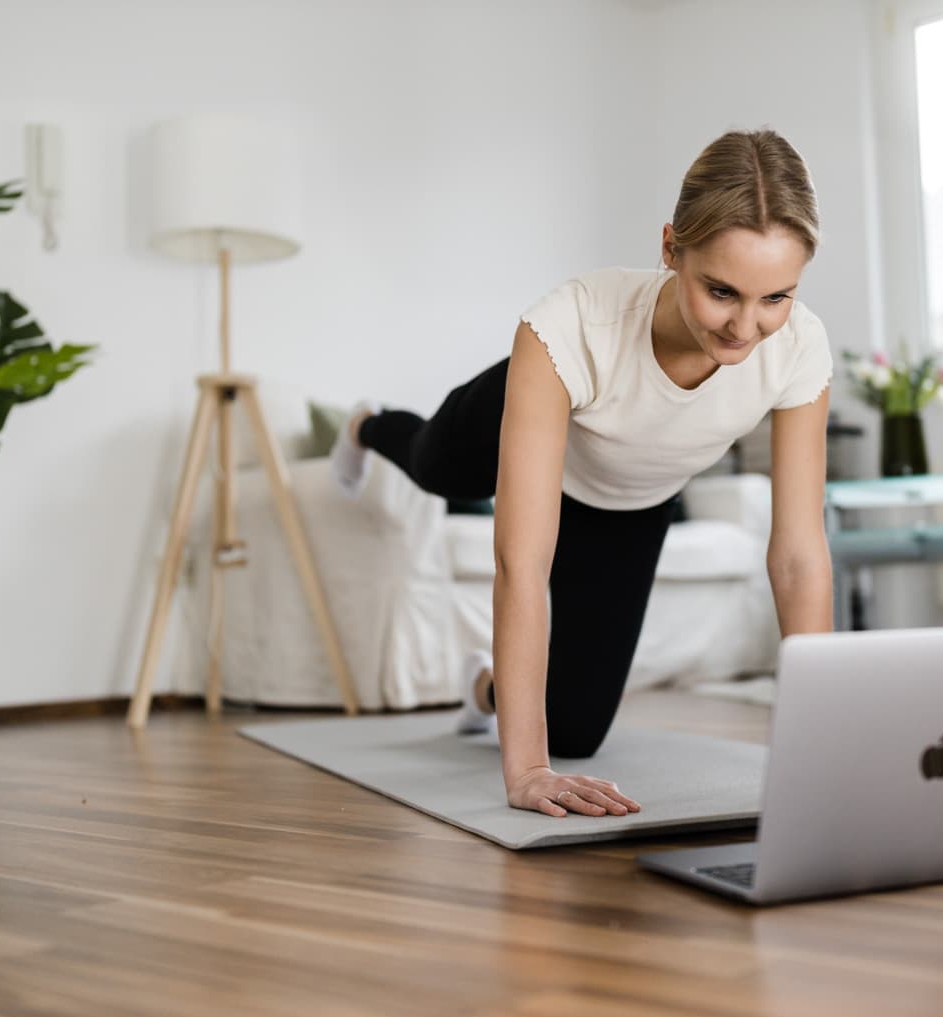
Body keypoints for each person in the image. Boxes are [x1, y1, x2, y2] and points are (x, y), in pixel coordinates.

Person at [330, 128, 834, 819]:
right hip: (515, 415)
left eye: (774, 297)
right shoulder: (572, 323)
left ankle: (479, 687)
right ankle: (368, 423)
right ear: (669, 248)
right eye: (721, 290)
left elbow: (800, 557)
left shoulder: (799, 348)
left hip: (627, 497)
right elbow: (521, 560)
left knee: (574, 730)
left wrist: (826, 741)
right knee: (432, 469)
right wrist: (525, 770)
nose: (745, 327)